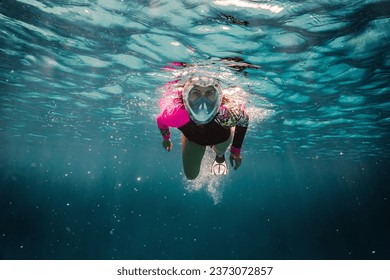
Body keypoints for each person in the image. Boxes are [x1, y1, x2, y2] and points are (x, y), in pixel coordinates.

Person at [156, 74, 249, 180]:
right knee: (191, 175)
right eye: (196, 93)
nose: (203, 101)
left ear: (218, 97)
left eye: (209, 93)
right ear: (185, 96)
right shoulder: (178, 115)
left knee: (219, 150)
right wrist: (166, 138)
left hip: (221, 137)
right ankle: (217, 152)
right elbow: (160, 120)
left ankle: (220, 156)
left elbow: (244, 120)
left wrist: (235, 150)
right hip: (194, 139)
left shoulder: (225, 114)